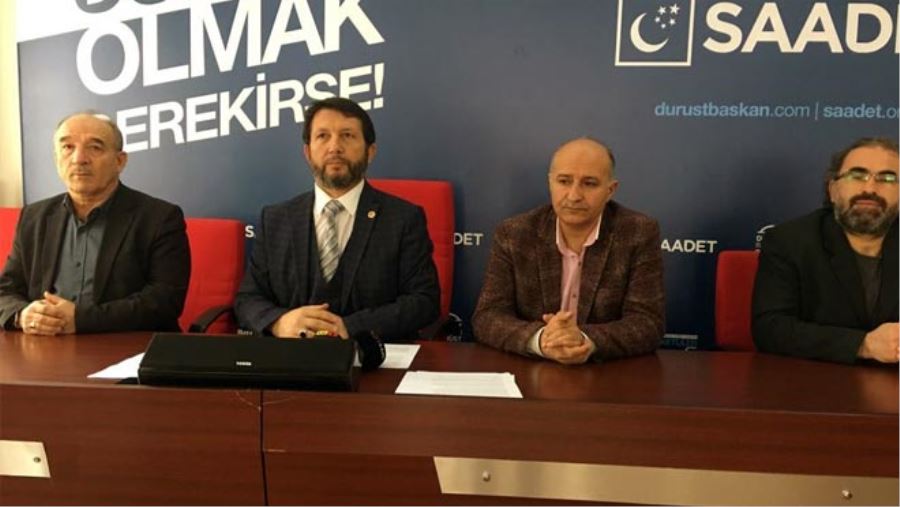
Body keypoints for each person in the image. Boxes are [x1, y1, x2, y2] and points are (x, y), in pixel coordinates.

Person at [235, 97, 439, 341]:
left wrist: (351, 327)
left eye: (347, 135)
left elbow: (424, 301)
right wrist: (279, 322)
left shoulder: (403, 219)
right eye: (323, 136)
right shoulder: (275, 220)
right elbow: (248, 298)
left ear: (370, 152)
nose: (334, 147)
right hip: (292, 356)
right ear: (307, 152)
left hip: (371, 355)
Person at [472, 137, 664, 364]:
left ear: (610, 190)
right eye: (564, 181)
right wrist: (541, 340)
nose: (574, 196)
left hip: (606, 372)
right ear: (550, 183)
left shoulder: (638, 232)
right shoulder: (515, 233)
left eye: (589, 184)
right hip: (531, 368)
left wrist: (584, 339)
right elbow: (488, 316)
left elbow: (648, 323)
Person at [0, 111, 190, 334]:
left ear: (120, 161)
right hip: (46, 345)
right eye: (67, 147)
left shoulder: (160, 217)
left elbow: (165, 301)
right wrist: (22, 315)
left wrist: (81, 320)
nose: (79, 159)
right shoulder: (34, 217)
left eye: (95, 147)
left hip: (124, 344)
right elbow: (6, 290)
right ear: (56, 158)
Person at [752, 137, 899, 364]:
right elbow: (770, 329)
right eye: (857, 175)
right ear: (833, 189)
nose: (870, 188)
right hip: (816, 379)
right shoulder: (789, 241)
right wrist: (862, 345)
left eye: (887, 178)